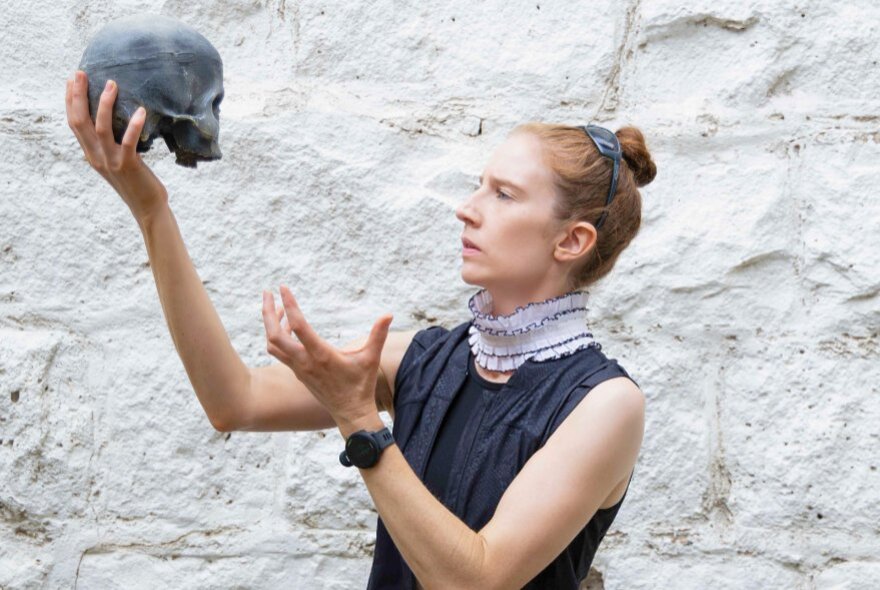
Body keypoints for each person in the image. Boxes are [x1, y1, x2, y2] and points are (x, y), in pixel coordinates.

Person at [65, 69, 656, 589]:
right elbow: (234, 401)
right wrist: (152, 210)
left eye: (503, 194)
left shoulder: (605, 405)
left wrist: (359, 418)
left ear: (572, 240)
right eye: (480, 185)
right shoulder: (426, 361)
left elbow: (474, 579)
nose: (467, 208)